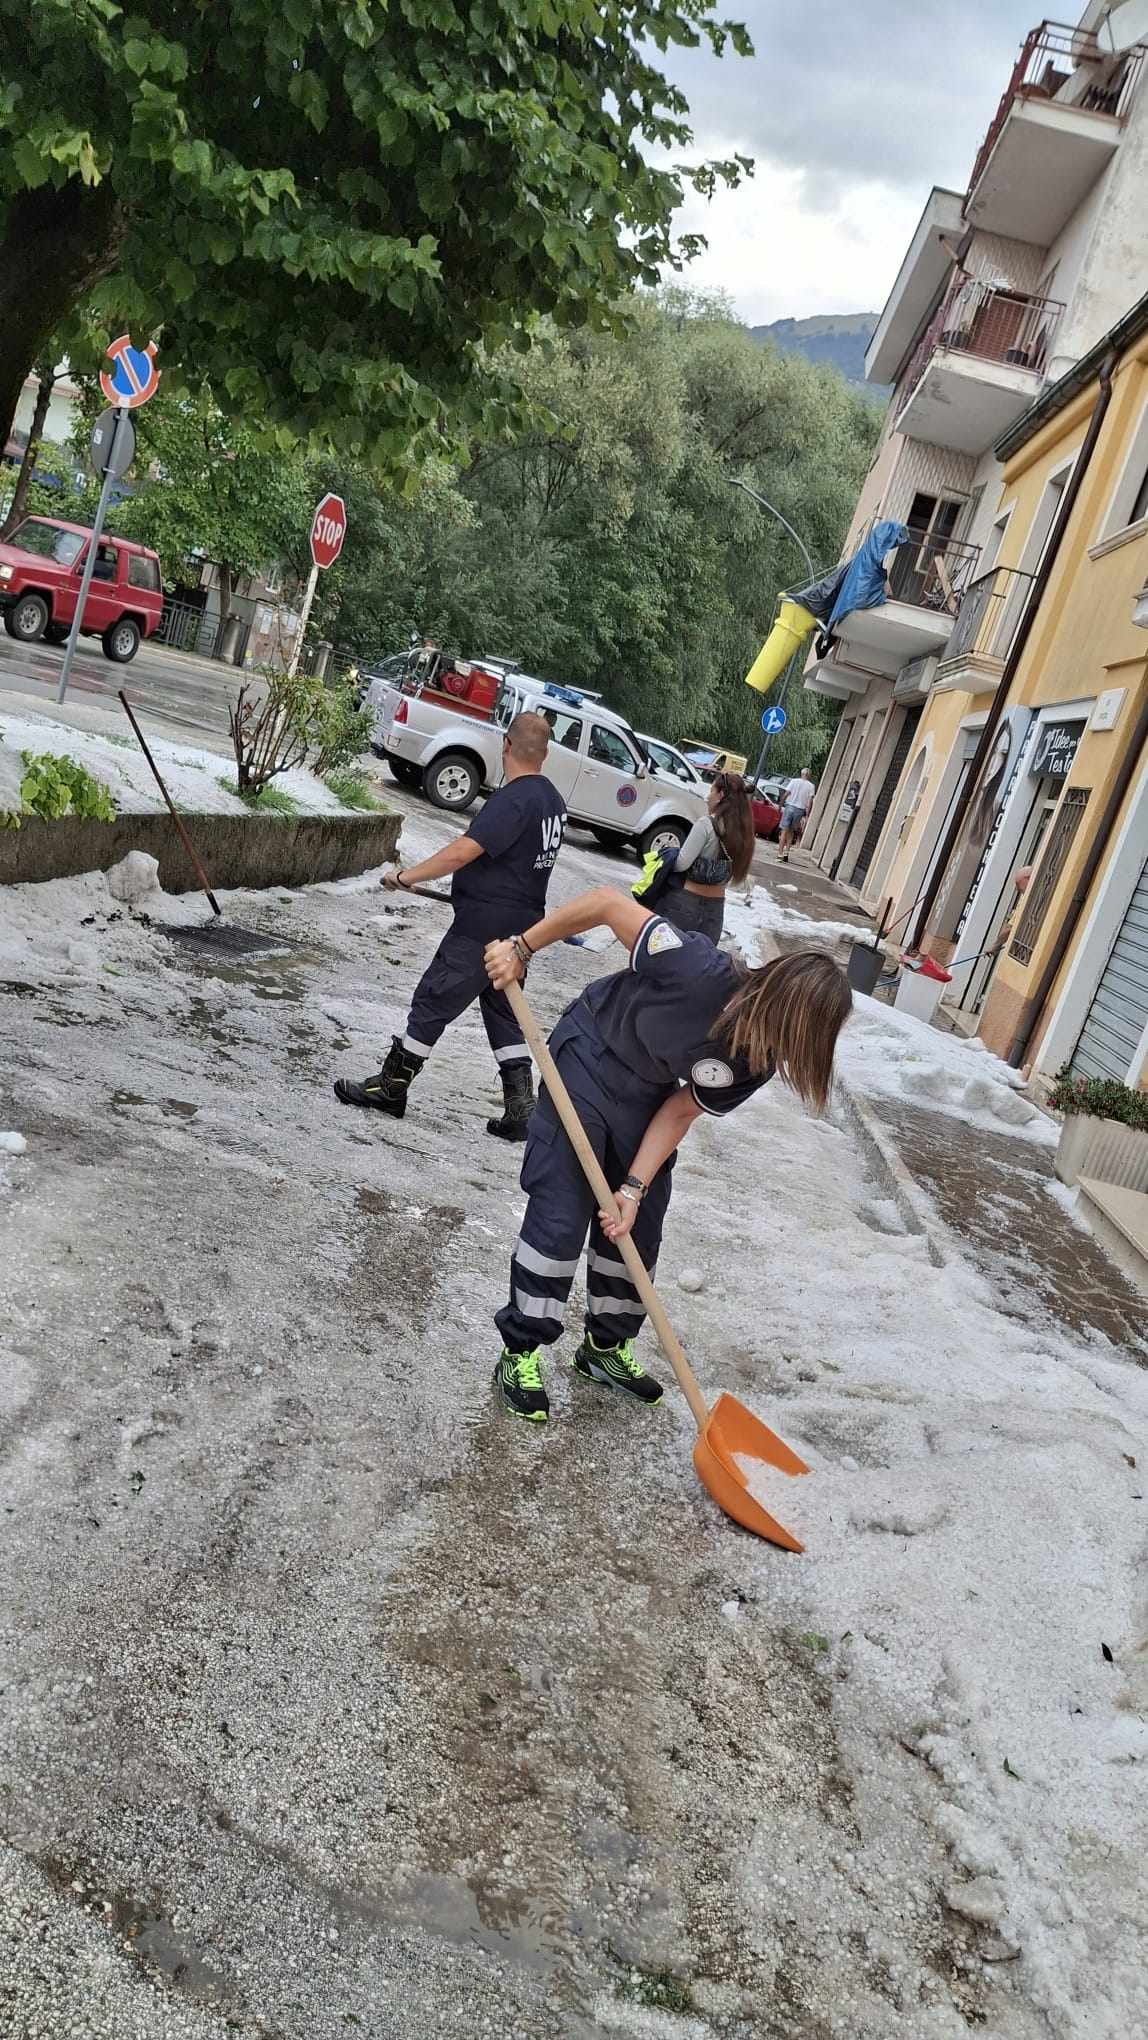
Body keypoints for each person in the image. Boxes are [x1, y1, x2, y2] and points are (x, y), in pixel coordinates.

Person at [482, 888, 851, 1422]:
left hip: (648, 1092)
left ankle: (603, 1350)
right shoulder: (695, 969)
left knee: (635, 1226)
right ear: (779, 1005)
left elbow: (679, 1110)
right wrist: (522, 947)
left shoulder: (755, 1061)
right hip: (588, 1053)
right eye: (795, 1038)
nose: (782, 1055)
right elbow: (609, 904)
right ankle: (520, 1350)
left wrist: (632, 1188)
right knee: (562, 1212)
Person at [334, 711, 565, 1139]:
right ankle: (521, 1109)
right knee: (504, 1010)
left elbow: (463, 852)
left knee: (433, 999)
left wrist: (406, 876)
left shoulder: (514, 800)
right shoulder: (552, 800)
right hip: (522, 927)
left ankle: (391, 1087)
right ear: (546, 753)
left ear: (506, 746)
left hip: (483, 927)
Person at [646, 771, 755, 944]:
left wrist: (669, 854)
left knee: (667, 957)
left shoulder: (706, 824)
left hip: (685, 904)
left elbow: (681, 864)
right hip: (715, 909)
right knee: (699, 965)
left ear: (721, 795)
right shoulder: (744, 832)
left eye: (711, 791)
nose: (707, 797)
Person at [778, 766, 816, 862]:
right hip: (799, 810)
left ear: (801, 774)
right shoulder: (811, 786)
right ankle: (786, 853)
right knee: (791, 831)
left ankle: (780, 854)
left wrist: (780, 805)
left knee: (784, 831)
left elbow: (786, 794)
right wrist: (807, 815)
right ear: (809, 776)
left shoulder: (794, 781)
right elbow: (810, 801)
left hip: (790, 807)